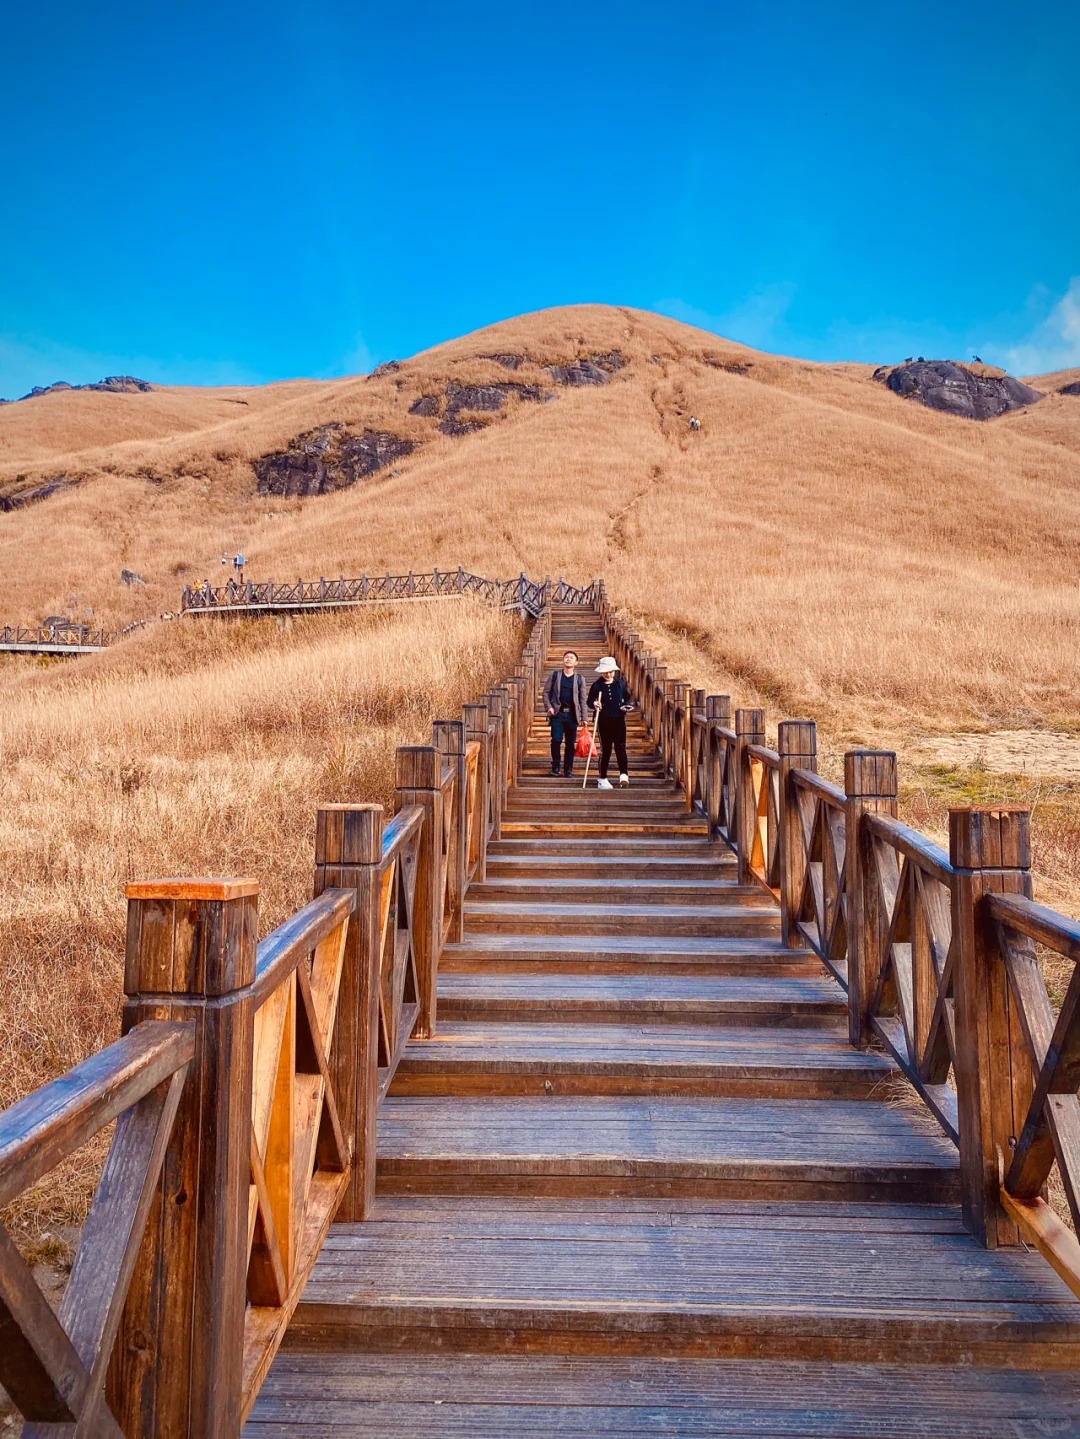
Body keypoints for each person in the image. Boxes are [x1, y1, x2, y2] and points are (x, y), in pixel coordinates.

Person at [588, 657, 633, 789]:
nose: (608, 674)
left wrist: (626, 706)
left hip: (619, 719)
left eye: (610, 672)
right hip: (603, 720)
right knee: (606, 749)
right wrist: (595, 703)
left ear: (614, 671)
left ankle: (624, 774)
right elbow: (589, 701)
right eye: (605, 672)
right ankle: (602, 778)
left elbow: (627, 698)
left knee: (620, 748)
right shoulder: (597, 685)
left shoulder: (620, 683)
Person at [542, 649, 588, 777]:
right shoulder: (555, 675)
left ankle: (568, 769)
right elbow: (546, 693)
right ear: (563, 660)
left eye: (571, 658)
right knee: (556, 740)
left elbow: (582, 699)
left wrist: (584, 717)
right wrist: (549, 707)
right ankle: (555, 767)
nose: (568, 659)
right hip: (557, 714)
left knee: (570, 743)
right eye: (566, 657)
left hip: (572, 715)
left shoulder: (580, 679)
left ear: (576, 663)